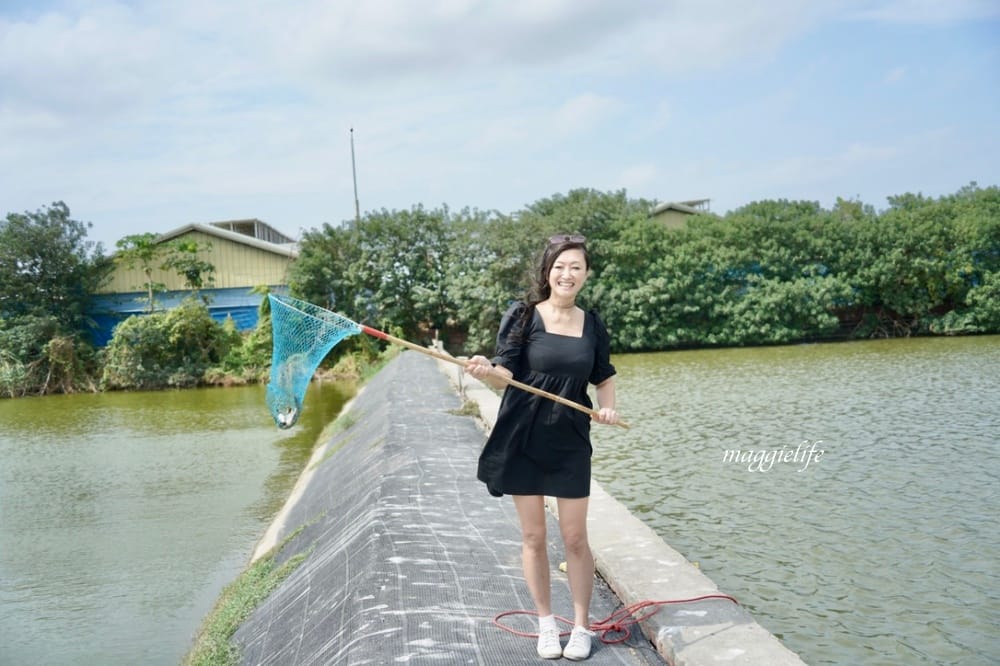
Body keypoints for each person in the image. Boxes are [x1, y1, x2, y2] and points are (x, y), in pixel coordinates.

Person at [465, 233, 620, 661]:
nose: (567, 274)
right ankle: (547, 624)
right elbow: (504, 373)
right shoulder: (523, 316)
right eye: (559, 266)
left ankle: (582, 627)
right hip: (523, 435)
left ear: (586, 274)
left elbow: (604, 377)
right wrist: (486, 369)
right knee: (534, 536)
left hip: (570, 440)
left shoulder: (593, 325)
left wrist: (607, 408)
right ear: (547, 271)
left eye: (576, 267)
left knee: (575, 538)